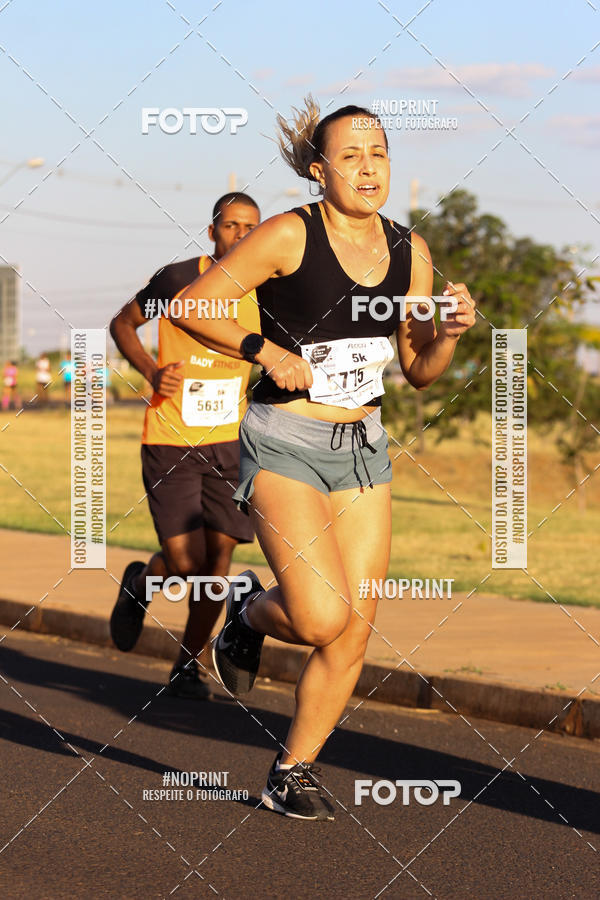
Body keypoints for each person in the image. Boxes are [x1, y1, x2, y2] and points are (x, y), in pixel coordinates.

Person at [171, 97, 477, 820]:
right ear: (319, 170)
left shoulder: (413, 251)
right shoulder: (287, 235)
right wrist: (267, 350)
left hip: (365, 448)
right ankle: (247, 615)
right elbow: (193, 304)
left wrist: (452, 334)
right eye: (350, 156)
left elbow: (416, 367)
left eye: (379, 154)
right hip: (285, 439)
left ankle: (293, 769)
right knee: (318, 617)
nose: (368, 168)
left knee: (355, 628)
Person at [109, 192, 261, 700]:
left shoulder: (270, 290)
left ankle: (187, 665)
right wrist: (152, 371)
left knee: (216, 566)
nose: (241, 236)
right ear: (213, 229)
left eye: (251, 228)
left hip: (231, 444)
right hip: (170, 440)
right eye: (233, 226)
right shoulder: (177, 280)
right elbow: (122, 324)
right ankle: (142, 581)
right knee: (186, 563)